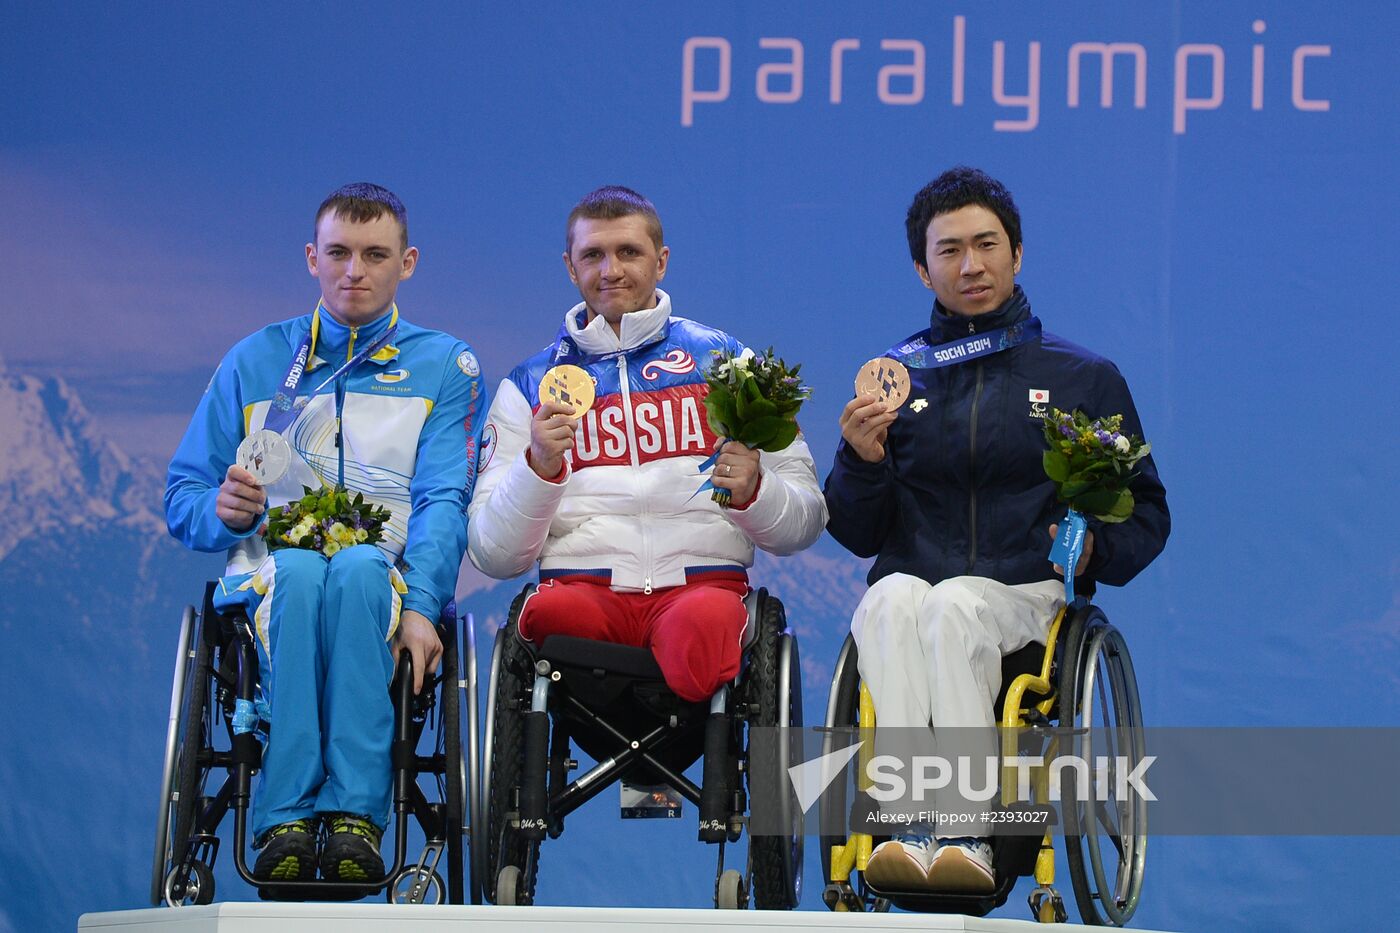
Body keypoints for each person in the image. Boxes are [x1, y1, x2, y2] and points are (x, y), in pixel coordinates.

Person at [824, 167, 1169, 893]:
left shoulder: (1083, 377)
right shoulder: (896, 379)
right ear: (922, 268)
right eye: (949, 250)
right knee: (885, 601)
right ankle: (907, 821)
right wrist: (862, 460)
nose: (970, 265)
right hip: (915, 585)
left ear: (1017, 253)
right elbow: (857, 531)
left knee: (955, 606)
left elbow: (1146, 511)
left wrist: (1093, 546)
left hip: (1024, 592)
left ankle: (964, 832)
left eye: (986, 244)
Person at [164, 183, 485, 885]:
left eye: (375, 255)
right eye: (338, 252)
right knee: (304, 573)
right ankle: (284, 815)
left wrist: (427, 606)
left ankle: (352, 818)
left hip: (387, 581)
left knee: (362, 569)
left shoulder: (444, 365)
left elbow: (442, 500)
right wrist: (223, 510)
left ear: (409, 262)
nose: (355, 271)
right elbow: (183, 494)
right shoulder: (254, 359)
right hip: (267, 575)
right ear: (312, 257)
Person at [468, 185, 825, 704]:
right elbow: (491, 553)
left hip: (701, 587)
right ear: (571, 267)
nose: (610, 270)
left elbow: (806, 520)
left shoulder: (730, 365)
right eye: (593, 255)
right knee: (548, 615)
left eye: (628, 252)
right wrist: (538, 468)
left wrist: (755, 492)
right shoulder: (529, 385)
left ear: (661, 261)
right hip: (583, 589)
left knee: (704, 629)